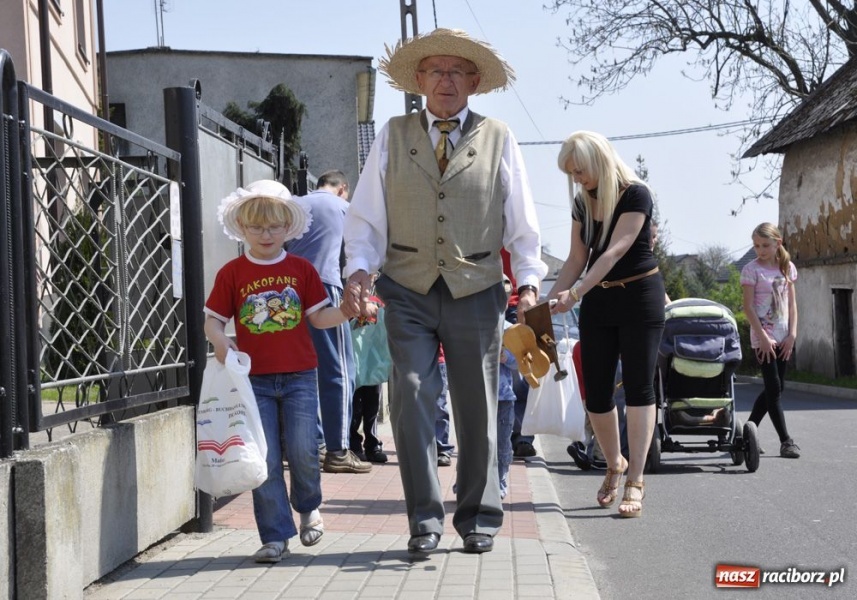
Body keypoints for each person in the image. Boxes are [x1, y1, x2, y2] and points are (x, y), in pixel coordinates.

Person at [342, 28, 547, 554]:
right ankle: (424, 519)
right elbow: (366, 216)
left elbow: (520, 219)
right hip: (406, 288)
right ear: (419, 80)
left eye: (458, 71)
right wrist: (359, 271)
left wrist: (527, 282)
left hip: (476, 289)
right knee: (409, 396)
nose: (446, 81)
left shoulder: (499, 137)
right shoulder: (392, 133)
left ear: (475, 82)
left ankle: (478, 515)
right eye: (436, 71)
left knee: (477, 402)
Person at [203, 180, 357, 563]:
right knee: (265, 458)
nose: (265, 234)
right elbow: (212, 322)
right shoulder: (232, 273)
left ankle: (309, 509)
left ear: (288, 226)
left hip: (301, 376)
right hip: (252, 381)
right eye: (256, 227)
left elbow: (319, 318)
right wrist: (222, 343)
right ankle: (274, 535)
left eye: (273, 226)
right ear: (241, 228)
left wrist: (348, 313)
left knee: (305, 450)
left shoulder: (301, 269)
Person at [549, 131, 665, 519]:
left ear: (598, 161)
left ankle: (636, 477)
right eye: (572, 173)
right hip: (599, 301)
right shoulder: (582, 203)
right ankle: (613, 461)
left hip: (639, 296)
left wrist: (577, 292)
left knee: (638, 387)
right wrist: (554, 299)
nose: (577, 179)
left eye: (580, 170)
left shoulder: (636, 194)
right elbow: (575, 258)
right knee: (595, 393)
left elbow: (616, 250)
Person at [289, 170, 371, 474]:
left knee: (304, 370)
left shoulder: (296, 204)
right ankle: (338, 450)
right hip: (324, 286)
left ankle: (315, 443)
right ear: (343, 189)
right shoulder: (342, 208)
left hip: (288, 291)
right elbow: (359, 252)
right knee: (339, 370)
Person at [741, 222, 800, 459]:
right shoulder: (750, 270)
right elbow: (747, 307)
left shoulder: (788, 268)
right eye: (756, 245)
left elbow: (792, 305)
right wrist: (763, 338)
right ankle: (786, 441)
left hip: (784, 336)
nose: (760, 250)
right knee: (774, 388)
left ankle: (749, 430)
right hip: (763, 338)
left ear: (778, 243)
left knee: (777, 388)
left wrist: (793, 334)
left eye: (765, 245)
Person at [349, 293, 389, 464]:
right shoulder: (349, 300)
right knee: (354, 408)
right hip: (355, 365)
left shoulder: (379, 302)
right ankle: (354, 445)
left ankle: (372, 446)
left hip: (374, 366)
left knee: (372, 409)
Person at [497, 323, 519, 499]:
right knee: (474, 442)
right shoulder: (472, 321)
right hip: (477, 395)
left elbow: (523, 361)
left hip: (503, 397)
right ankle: (465, 483)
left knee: (502, 442)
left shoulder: (509, 329)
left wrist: (506, 357)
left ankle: (500, 481)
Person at [435, 346, 455, 467]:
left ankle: (442, 449)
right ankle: (420, 449)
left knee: (439, 406)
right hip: (416, 361)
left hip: (439, 361)